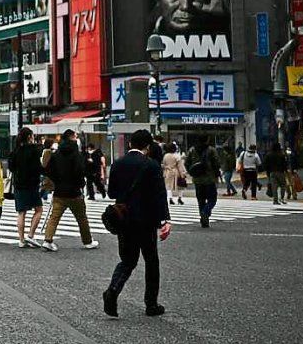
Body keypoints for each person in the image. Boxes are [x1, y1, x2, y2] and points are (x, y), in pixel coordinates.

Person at [103, 129, 171, 318]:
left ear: (130, 144)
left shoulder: (118, 164)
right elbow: (159, 195)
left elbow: (111, 193)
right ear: (147, 147)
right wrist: (165, 219)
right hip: (147, 220)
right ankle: (151, 304)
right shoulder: (151, 165)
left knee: (127, 260)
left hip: (124, 220)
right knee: (151, 261)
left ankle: (112, 291)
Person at [42, 130, 99, 251]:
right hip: (74, 191)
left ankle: (47, 240)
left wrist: (57, 181)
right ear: (72, 138)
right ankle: (87, 241)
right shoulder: (76, 154)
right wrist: (80, 183)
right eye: (75, 136)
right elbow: (80, 170)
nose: (76, 138)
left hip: (59, 191)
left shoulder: (56, 153)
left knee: (54, 217)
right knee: (81, 217)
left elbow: (48, 170)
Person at [9, 127, 45, 248]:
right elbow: (38, 167)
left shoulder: (15, 151)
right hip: (32, 184)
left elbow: (11, 167)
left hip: (19, 184)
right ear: (29, 137)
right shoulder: (34, 150)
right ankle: (30, 235)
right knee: (38, 210)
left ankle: (21, 240)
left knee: (21, 212)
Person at [184, 135, 220, 228]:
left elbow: (186, 163)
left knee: (201, 200)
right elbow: (216, 163)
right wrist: (216, 173)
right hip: (209, 178)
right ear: (207, 140)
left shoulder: (192, 150)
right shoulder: (211, 150)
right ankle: (206, 212)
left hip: (197, 179)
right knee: (212, 199)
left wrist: (191, 172)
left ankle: (204, 220)